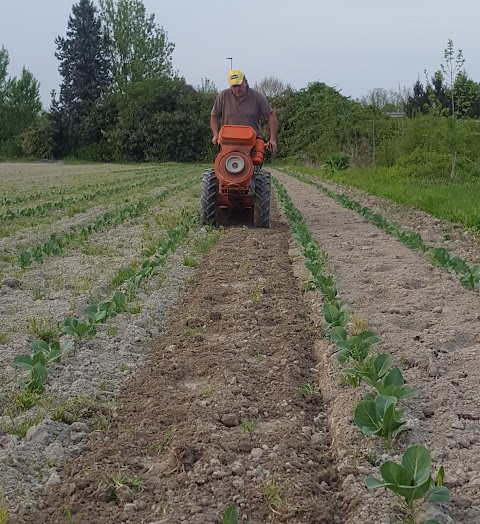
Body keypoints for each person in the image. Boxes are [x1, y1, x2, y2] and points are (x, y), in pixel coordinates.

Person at [210, 69, 278, 156]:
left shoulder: (258, 97)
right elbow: (214, 116)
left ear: (245, 82)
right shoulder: (223, 96)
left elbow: (271, 116)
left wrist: (272, 139)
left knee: (253, 166)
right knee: (223, 166)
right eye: (234, 86)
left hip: (251, 143)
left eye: (239, 85)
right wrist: (216, 134)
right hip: (228, 142)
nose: (237, 89)